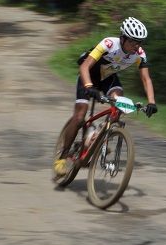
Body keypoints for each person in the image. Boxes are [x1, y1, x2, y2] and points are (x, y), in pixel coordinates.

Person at [54, 17, 158, 175]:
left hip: (108, 78)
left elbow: (146, 79)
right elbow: (84, 66)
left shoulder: (139, 54)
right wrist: (89, 86)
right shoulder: (109, 44)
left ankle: (99, 136)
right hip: (89, 75)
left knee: (120, 105)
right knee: (80, 114)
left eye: (140, 43)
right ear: (122, 38)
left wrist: (151, 102)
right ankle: (63, 155)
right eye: (133, 42)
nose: (137, 47)